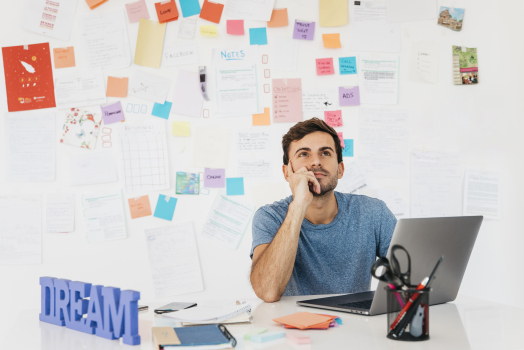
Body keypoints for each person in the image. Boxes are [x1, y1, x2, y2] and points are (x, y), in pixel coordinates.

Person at [249, 118, 397, 302]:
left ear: (340, 169)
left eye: (325, 153)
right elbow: (268, 291)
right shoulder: (269, 217)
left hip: (354, 326)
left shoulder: (373, 212)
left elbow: (413, 272)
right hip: (293, 327)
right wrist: (299, 205)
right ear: (287, 172)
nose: (316, 162)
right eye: (304, 154)